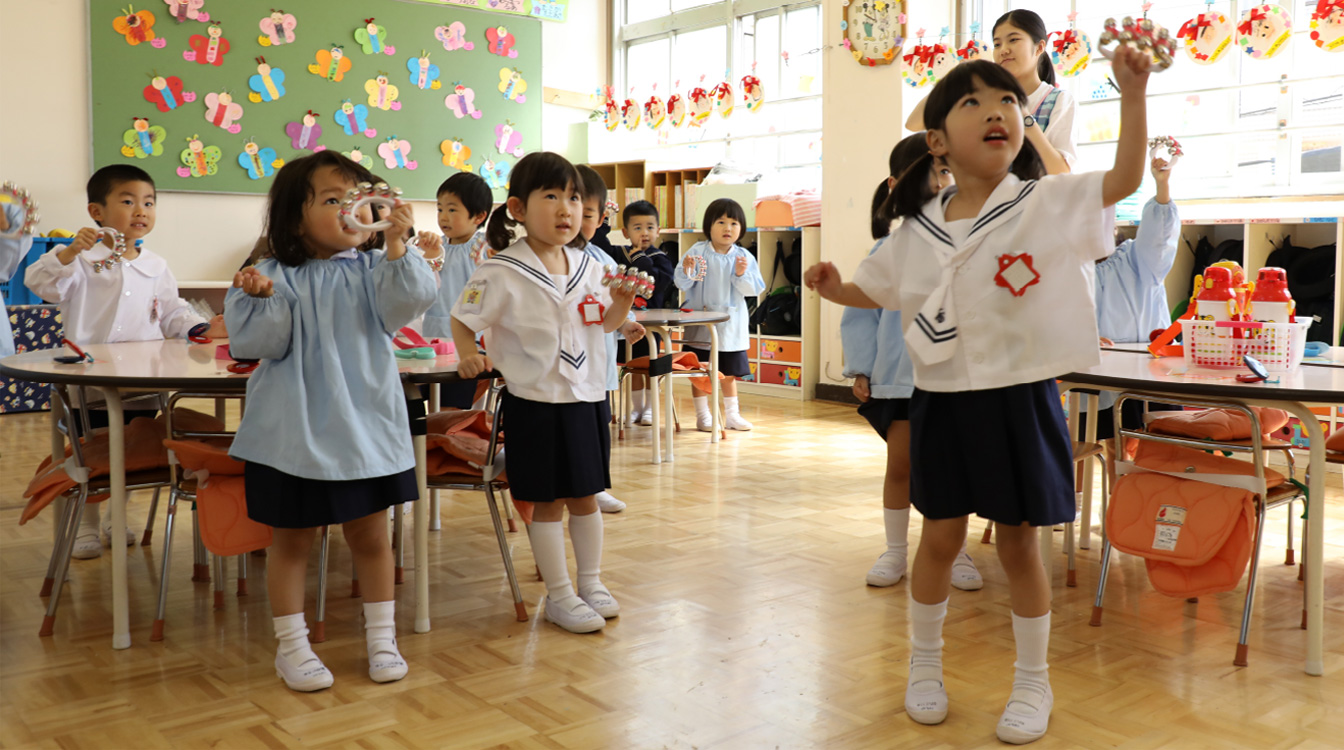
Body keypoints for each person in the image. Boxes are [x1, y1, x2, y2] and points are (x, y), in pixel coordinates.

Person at [805, 50, 1151, 743]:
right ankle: (923, 666)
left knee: (1021, 545)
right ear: (936, 140)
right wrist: (830, 284)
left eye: (1008, 101)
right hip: (944, 398)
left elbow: (1123, 179)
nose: (997, 110)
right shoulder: (917, 229)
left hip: (1018, 396)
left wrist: (1133, 95)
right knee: (939, 537)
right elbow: (877, 288)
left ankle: (1033, 682)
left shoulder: (1043, 201)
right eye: (973, 102)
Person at [225, 151, 437, 691]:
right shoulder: (269, 274)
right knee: (292, 542)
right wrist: (264, 299)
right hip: (293, 434)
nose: (349, 210)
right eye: (332, 200)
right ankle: (292, 647)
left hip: (364, 430)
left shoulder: (375, 269)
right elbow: (259, 344)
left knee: (370, 537)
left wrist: (396, 243)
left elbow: (407, 305)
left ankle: (382, 637)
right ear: (297, 218)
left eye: (357, 198)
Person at [450, 152, 637, 633]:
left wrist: (621, 306)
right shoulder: (501, 270)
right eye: (551, 196)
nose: (566, 209)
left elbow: (604, 324)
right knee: (548, 501)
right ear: (517, 208)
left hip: (587, 396)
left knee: (587, 495)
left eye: (574, 198)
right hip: (535, 402)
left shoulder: (591, 266)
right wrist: (469, 353)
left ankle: (590, 582)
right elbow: (462, 317)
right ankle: (559, 594)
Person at [25, 164, 225, 559]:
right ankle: (85, 525)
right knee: (92, 450)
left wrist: (200, 327)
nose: (141, 210)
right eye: (128, 200)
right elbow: (41, 284)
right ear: (96, 211)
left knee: (132, 449)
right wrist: (70, 251)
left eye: (149, 202)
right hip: (91, 378)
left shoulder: (156, 265)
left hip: (142, 379)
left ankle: (118, 517)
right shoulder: (81, 259)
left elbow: (171, 312)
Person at [841, 135, 982, 591]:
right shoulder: (887, 250)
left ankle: (956, 551)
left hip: (955, 379)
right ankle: (896, 551)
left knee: (955, 467)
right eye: (930, 173)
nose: (941, 182)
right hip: (901, 380)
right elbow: (862, 311)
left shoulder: (970, 242)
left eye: (947, 172)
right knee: (900, 465)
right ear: (896, 184)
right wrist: (862, 366)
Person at [1086, 155, 1182, 478]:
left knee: (1155, 442)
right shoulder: (1074, 266)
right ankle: (1118, 513)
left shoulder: (1135, 259)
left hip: (1147, 369)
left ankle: (1147, 511)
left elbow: (1159, 238)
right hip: (1098, 374)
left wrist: (1162, 186)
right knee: (1113, 443)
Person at [906, 10, 1077, 176]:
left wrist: (1023, 116)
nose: (1003, 50)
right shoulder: (985, 98)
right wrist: (954, 79)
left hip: (1037, 203)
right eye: (997, 44)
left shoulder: (1059, 100)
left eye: (1013, 40)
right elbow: (914, 124)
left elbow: (1060, 170)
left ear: (1039, 47)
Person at [576, 164, 646, 513]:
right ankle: (571, 485)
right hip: (560, 368)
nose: (576, 219)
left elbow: (613, 305)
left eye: (587, 213)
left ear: (601, 217)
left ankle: (597, 485)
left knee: (598, 423)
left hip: (597, 362)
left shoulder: (603, 260)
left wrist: (626, 323)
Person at [673, 198, 766, 431]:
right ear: (709, 226)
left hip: (730, 325)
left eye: (734, 223)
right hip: (700, 323)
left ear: (741, 228)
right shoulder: (697, 251)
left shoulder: (744, 256)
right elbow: (681, 282)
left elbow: (754, 290)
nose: (728, 228)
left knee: (730, 372)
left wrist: (741, 274)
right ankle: (703, 415)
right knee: (699, 370)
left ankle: (732, 415)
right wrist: (687, 269)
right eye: (721, 222)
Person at [421, 172, 493, 409]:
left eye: (452, 210)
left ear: (479, 216)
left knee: (457, 409)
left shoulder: (484, 249)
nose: (443, 217)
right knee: (431, 403)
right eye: (440, 209)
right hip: (433, 337)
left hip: (471, 344)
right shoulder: (436, 247)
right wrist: (428, 255)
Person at [610, 199, 675, 426]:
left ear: (658, 230)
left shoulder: (662, 259)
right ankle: (636, 409)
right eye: (637, 228)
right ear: (626, 232)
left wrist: (640, 259)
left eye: (650, 227)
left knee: (650, 366)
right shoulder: (622, 255)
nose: (644, 233)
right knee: (633, 365)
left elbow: (656, 282)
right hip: (626, 321)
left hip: (651, 323)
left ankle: (650, 409)